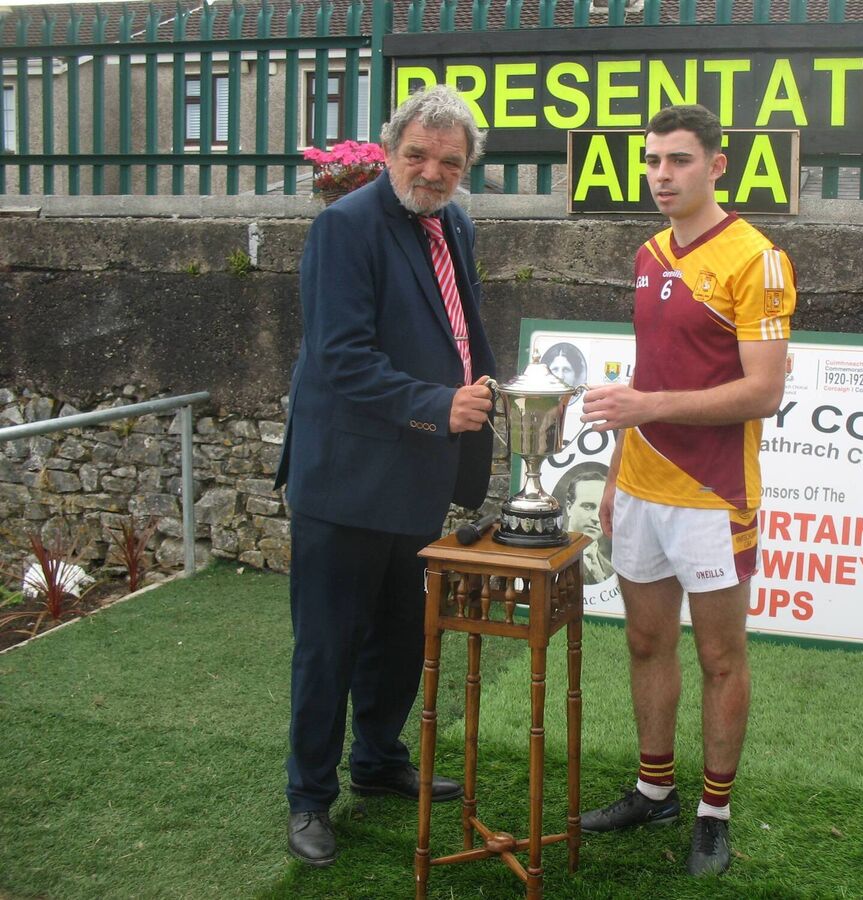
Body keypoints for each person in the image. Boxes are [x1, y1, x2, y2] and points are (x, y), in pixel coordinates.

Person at [273, 86, 496, 868]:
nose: (432, 172)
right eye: (418, 155)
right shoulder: (344, 226)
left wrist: (481, 398)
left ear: (466, 168)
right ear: (390, 150)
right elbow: (341, 357)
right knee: (327, 648)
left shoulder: (453, 224)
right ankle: (309, 797)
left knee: (403, 637)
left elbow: (459, 332)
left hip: (417, 474)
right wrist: (440, 406)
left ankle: (376, 759)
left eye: (450, 162)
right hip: (344, 480)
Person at [578, 104, 796, 877]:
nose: (662, 175)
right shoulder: (648, 254)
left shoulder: (757, 259)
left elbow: (764, 391)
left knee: (720, 657)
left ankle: (714, 812)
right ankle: (654, 789)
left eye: (678, 160)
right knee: (645, 642)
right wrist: (616, 472)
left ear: (716, 166)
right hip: (641, 488)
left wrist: (649, 408)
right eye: (652, 161)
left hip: (713, 495)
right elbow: (649, 374)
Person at [554, 461, 614, 584]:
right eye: (588, 506)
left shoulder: (611, 570)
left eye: (603, 509)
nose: (596, 518)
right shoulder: (553, 561)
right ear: (569, 507)